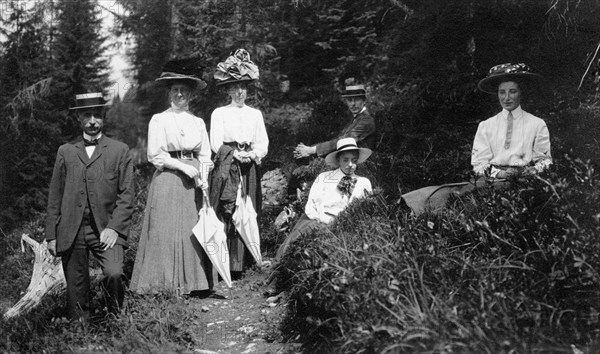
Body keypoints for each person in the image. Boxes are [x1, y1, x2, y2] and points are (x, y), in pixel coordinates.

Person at [130, 58, 218, 295]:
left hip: (194, 181)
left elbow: (206, 153)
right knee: (165, 229)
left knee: (192, 229)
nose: (179, 95)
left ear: (191, 95)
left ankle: (195, 284)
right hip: (168, 178)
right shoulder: (160, 120)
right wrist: (181, 166)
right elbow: (155, 155)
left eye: (184, 91)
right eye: (175, 90)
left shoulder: (198, 122)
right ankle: (162, 285)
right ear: (169, 93)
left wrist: (203, 174)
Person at [45, 92, 135, 323]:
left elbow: (127, 195)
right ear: (78, 119)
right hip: (72, 229)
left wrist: (114, 228)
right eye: (87, 115)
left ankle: (114, 320)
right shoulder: (65, 151)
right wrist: (51, 235)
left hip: (106, 229)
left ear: (104, 116)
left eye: (97, 115)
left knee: (114, 273)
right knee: (76, 286)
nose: (93, 120)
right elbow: (55, 196)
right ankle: (80, 332)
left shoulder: (119, 150)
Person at [265, 137, 373, 297]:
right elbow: (311, 205)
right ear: (338, 160)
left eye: (354, 160)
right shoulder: (324, 178)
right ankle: (279, 280)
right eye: (345, 160)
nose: (350, 165)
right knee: (298, 242)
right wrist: (321, 221)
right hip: (318, 219)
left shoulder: (363, 182)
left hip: (345, 224)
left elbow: (364, 208)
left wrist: (343, 222)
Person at [210, 49, 269, 276]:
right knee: (228, 207)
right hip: (228, 165)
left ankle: (246, 261)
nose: (240, 92)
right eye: (235, 87)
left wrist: (254, 154)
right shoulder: (219, 113)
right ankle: (226, 262)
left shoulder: (255, 114)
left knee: (249, 208)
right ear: (227, 89)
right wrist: (234, 155)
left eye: (243, 87)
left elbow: (262, 142)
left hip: (249, 165)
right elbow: (216, 143)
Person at [472, 63, 552, 178]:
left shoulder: (537, 124)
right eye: (502, 92)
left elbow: (545, 161)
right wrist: (500, 173)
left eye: (513, 91)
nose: (507, 98)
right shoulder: (486, 126)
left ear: (521, 93)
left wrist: (533, 170)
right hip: (492, 181)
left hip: (526, 181)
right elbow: (478, 163)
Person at [294, 77, 376, 159]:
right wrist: (309, 149)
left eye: (357, 100)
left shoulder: (367, 120)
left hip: (361, 164)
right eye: (350, 100)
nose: (353, 104)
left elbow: (345, 141)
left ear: (364, 101)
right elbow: (338, 139)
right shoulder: (355, 118)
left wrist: (312, 150)